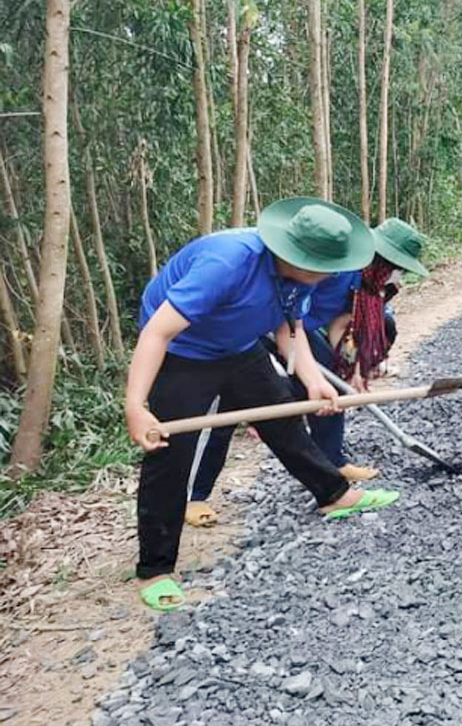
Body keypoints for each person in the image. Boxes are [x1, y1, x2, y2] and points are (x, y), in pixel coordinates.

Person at [124, 198, 401, 612]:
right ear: (296, 254)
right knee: (172, 450)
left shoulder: (305, 278)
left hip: (238, 347)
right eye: (326, 266)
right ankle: (155, 568)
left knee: (283, 416)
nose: (333, 275)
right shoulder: (228, 263)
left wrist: (313, 381)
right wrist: (135, 405)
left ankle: (333, 494)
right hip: (185, 351)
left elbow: (291, 329)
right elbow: (157, 333)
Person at [183, 218, 429, 525]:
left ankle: (332, 463)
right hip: (262, 327)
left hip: (299, 332)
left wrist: (351, 370)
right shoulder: (337, 267)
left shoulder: (371, 283)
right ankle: (195, 495)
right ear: (380, 257)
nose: (398, 275)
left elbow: (343, 324)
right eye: (396, 266)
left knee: (333, 389)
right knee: (227, 406)